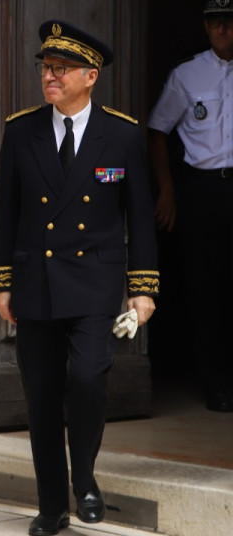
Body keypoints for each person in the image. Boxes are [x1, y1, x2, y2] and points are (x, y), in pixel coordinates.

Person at [0, 20, 159, 536]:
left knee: (86, 378)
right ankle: (49, 504)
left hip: (95, 285)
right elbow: (5, 213)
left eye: (61, 69)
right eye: (46, 67)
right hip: (36, 282)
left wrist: (143, 287)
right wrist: (2, 282)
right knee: (39, 393)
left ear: (91, 75)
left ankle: (83, 479)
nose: (49, 77)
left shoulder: (123, 135)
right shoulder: (22, 131)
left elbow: (141, 218)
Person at [148, 0, 233, 412]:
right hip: (204, 190)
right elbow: (157, 131)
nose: (223, 30)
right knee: (206, 286)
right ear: (204, 25)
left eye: (229, 22)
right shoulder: (187, 75)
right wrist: (167, 191)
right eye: (215, 22)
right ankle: (216, 383)